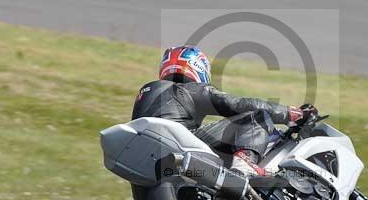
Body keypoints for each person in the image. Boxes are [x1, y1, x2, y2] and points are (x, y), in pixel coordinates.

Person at [132, 45, 317, 176]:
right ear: (198, 67)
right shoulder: (186, 89)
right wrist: (290, 114)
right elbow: (237, 103)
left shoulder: (145, 93)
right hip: (180, 147)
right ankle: (244, 164)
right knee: (255, 117)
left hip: (148, 164)